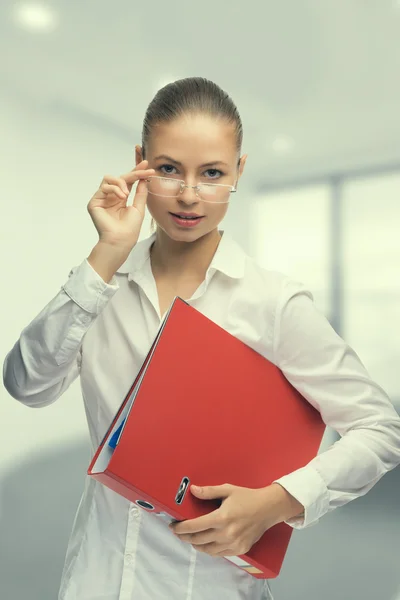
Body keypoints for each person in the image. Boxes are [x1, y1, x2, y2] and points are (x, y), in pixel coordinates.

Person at [3, 77, 400, 600]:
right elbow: (27, 385)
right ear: (141, 163)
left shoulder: (272, 302)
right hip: (94, 580)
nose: (189, 195)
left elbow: (380, 427)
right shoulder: (101, 286)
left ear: (239, 171)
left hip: (210, 586)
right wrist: (106, 253)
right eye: (169, 169)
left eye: (212, 173)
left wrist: (279, 501)